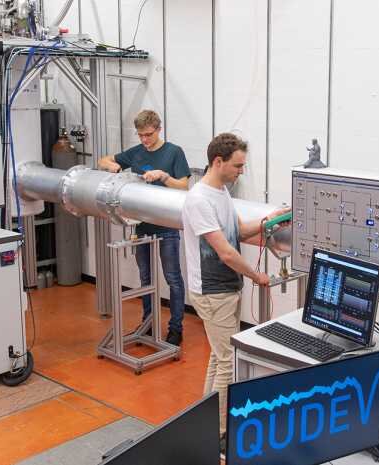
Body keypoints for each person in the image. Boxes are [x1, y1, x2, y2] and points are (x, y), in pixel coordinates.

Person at [181, 132, 289, 442]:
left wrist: (269, 221)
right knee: (228, 361)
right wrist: (258, 277)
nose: (241, 171)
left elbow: (238, 231)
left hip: (227, 288)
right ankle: (218, 433)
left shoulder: (221, 193)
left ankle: (205, 420)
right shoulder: (199, 199)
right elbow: (226, 252)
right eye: (238, 166)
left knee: (219, 356)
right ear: (218, 162)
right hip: (213, 292)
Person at [98, 110, 190, 346]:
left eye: (148, 135)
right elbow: (103, 160)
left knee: (173, 279)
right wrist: (113, 167)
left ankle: (176, 329)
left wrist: (164, 176)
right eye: (140, 136)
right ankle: (148, 323)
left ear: (159, 129)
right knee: (146, 279)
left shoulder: (174, 152)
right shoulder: (136, 153)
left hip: (167, 227)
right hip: (142, 227)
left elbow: (183, 187)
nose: (145, 140)